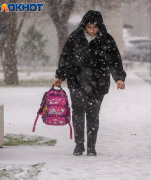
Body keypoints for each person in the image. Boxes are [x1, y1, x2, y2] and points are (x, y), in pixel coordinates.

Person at [54, 10, 126, 156]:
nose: (92, 30)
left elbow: (115, 60)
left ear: (100, 26)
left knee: (93, 114)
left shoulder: (107, 40)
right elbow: (65, 58)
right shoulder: (75, 38)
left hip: (98, 83)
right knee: (78, 113)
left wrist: (119, 78)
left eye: (95, 27)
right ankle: (79, 145)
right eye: (89, 27)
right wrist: (60, 76)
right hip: (76, 81)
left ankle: (91, 146)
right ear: (84, 26)